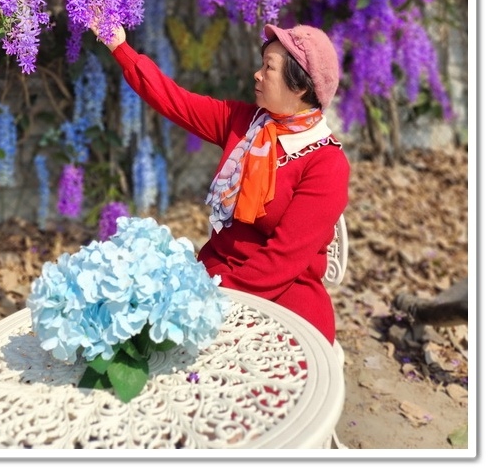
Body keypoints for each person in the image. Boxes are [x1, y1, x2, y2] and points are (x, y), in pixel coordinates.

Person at [92, 20, 350, 345]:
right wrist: (120, 47)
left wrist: (209, 297)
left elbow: (284, 259)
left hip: (282, 299)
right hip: (212, 277)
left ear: (299, 86)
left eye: (268, 68)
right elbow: (176, 101)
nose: (257, 74)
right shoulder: (244, 122)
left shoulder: (326, 163)